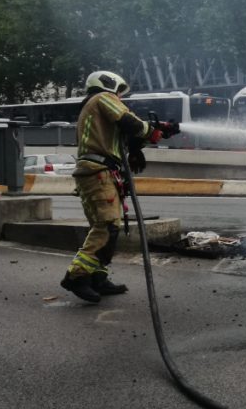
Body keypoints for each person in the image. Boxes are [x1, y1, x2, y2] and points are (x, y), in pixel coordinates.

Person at [59, 71, 175, 303]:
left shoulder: (93, 110)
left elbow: (121, 137)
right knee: (107, 226)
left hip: (96, 172)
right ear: (109, 85)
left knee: (103, 227)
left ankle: (98, 277)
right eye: (119, 91)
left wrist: (142, 143)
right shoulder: (103, 98)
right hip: (98, 172)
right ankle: (77, 276)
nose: (120, 96)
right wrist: (150, 129)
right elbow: (128, 122)